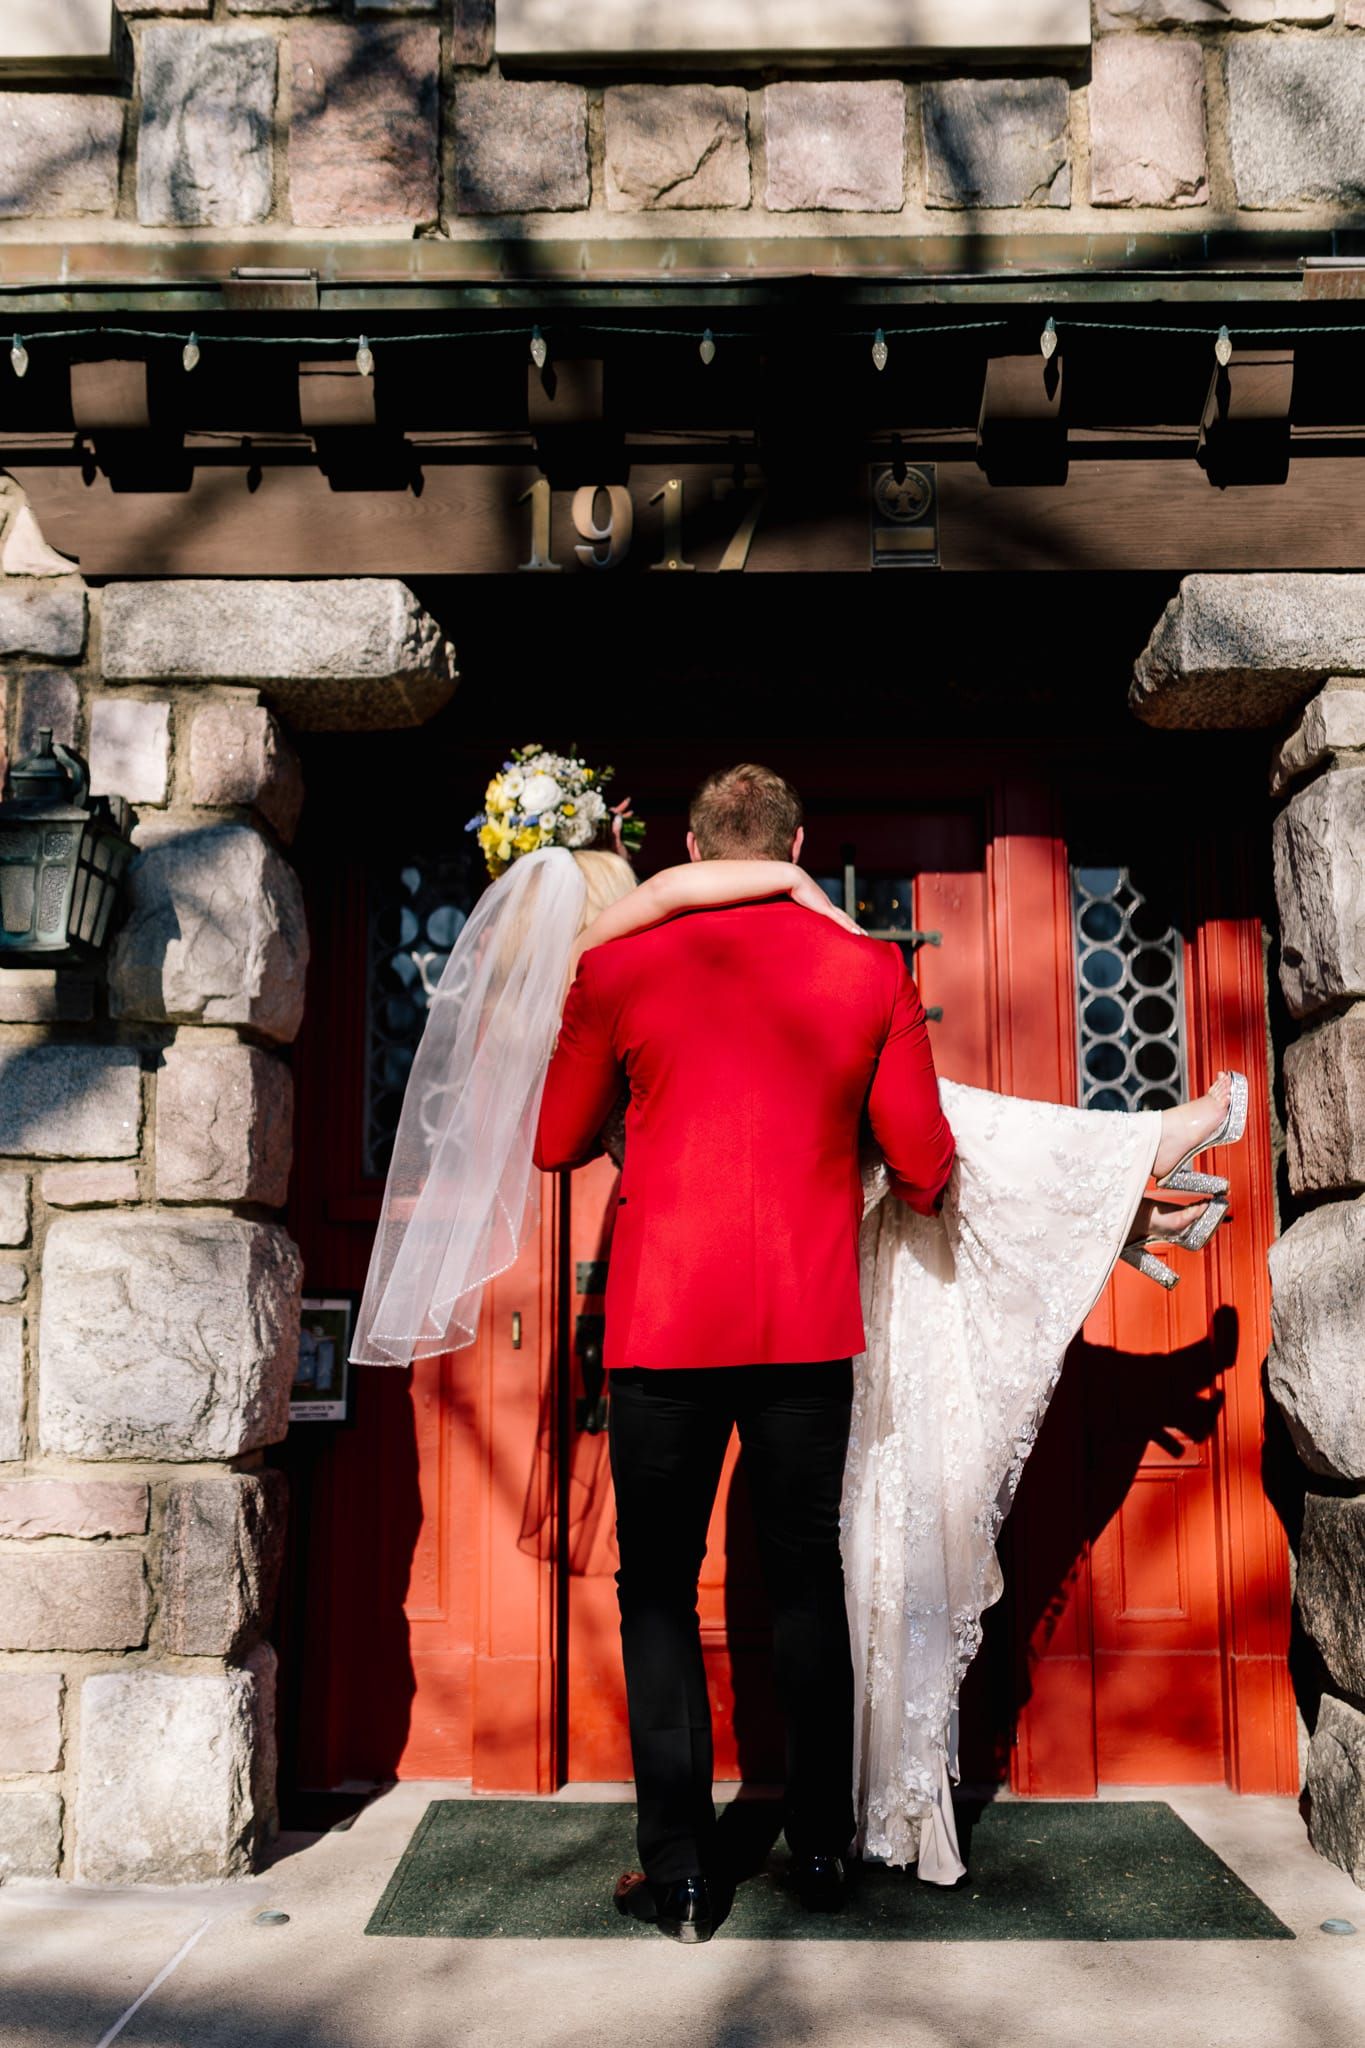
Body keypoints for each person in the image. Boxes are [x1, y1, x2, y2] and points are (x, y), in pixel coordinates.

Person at [350, 753, 1246, 1938]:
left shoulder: (619, 967)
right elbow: (927, 1169)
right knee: (808, 1580)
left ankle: (678, 1871)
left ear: (689, 846)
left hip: (665, 1330)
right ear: (799, 843)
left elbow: (559, 1140)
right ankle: (821, 1847)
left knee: (657, 1589)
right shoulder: (867, 967)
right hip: (808, 1328)